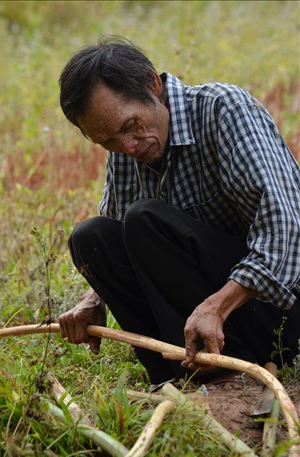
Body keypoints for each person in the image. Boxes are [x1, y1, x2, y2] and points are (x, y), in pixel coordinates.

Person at [58, 36, 300, 390]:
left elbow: (287, 229)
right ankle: (178, 372)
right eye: (107, 141)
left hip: (276, 315)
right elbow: (119, 240)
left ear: (152, 85)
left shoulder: (224, 109)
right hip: (201, 327)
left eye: (130, 126)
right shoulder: (127, 147)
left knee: (145, 220)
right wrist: (95, 299)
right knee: (92, 238)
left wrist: (216, 307)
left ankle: (223, 372)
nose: (126, 147)